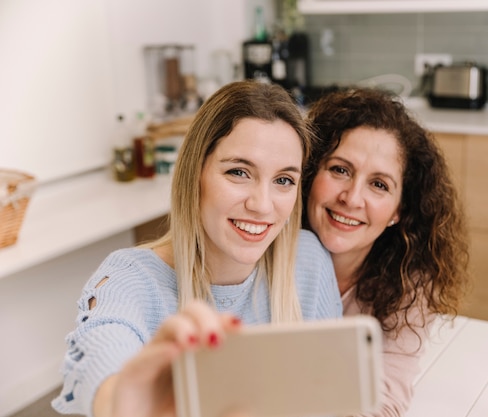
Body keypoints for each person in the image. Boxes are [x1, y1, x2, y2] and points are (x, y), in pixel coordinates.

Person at [52, 80, 343, 417]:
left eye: (283, 180)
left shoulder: (306, 260)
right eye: (239, 172)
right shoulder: (129, 280)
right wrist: (121, 401)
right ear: (195, 173)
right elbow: (105, 354)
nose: (263, 205)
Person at [303, 87, 471, 417]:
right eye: (340, 169)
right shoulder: (265, 244)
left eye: (379, 185)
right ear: (310, 173)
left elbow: (385, 401)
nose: (351, 198)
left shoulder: (409, 282)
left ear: (398, 211)